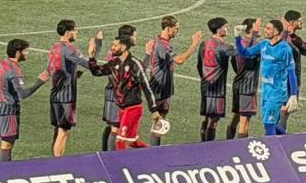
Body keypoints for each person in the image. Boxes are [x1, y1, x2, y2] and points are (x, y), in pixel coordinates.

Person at [90, 26, 156, 150]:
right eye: (134, 36)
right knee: (131, 142)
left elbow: (146, 86)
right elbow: (96, 71)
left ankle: (119, 167)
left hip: (132, 108)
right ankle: (153, 155)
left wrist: (154, 109)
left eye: (115, 45)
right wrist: (92, 56)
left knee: (120, 140)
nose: (112, 47)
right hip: (120, 106)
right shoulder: (114, 62)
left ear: (123, 47)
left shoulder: (134, 63)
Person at [45, 19, 100, 157]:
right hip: (66, 96)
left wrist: (73, 74)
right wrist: (94, 50)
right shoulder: (70, 49)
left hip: (55, 94)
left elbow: (52, 69)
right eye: (75, 30)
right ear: (68, 32)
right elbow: (90, 65)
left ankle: (55, 160)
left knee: (58, 130)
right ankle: (58, 165)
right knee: (64, 131)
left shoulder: (54, 48)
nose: (77, 32)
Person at [235, 19, 299, 136]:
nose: (265, 30)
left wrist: (293, 94)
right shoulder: (264, 44)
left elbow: (291, 72)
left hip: (277, 93)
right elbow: (245, 53)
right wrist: (237, 38)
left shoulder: (285, 49)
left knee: (268, 125)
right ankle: (290, 140)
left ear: (276, 31)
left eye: (268, 28)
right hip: (266, 92)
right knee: (271, 124)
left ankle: (275, 151)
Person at [147, 16, 204, 145]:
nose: (177, 32)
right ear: (168, 28)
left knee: (160, 121)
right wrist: (194, 44)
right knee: (158, 121)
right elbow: (179, 60)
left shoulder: (161, 43)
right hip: (160, 87)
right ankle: (153, 152)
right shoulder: (162, 45)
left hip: (163, 86)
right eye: (176, 29)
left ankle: (154, 149)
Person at [0, 39, 51, 161]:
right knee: (7, 143)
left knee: (7, 142)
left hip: (1, 106)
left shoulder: (3, 63)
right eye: (25, 51)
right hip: (9, 109)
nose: (27, 53)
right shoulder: (15, 71)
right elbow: (22, 94)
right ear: (17, 53)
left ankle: (4, 168)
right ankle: (4, 171)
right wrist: (40, 82)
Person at [197, 17, 236, 142]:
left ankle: (202, 143)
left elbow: (199, 65)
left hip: (205, 86)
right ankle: (209, 148)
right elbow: (243, 54)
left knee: (207, 118)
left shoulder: (204, 44)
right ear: (219, 30)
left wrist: (205, 79)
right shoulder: (224, 47)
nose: (227, 28)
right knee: (214, 121)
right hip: (217, 90)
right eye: (225, 26)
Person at [225, 18, 260, 139]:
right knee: (245, 121)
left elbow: (234, 64)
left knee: (236, 116)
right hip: (248, 86)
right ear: (251, 29)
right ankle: (240, 150)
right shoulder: (255, 45)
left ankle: (228, 141)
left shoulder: (238, 45)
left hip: (238, 83)